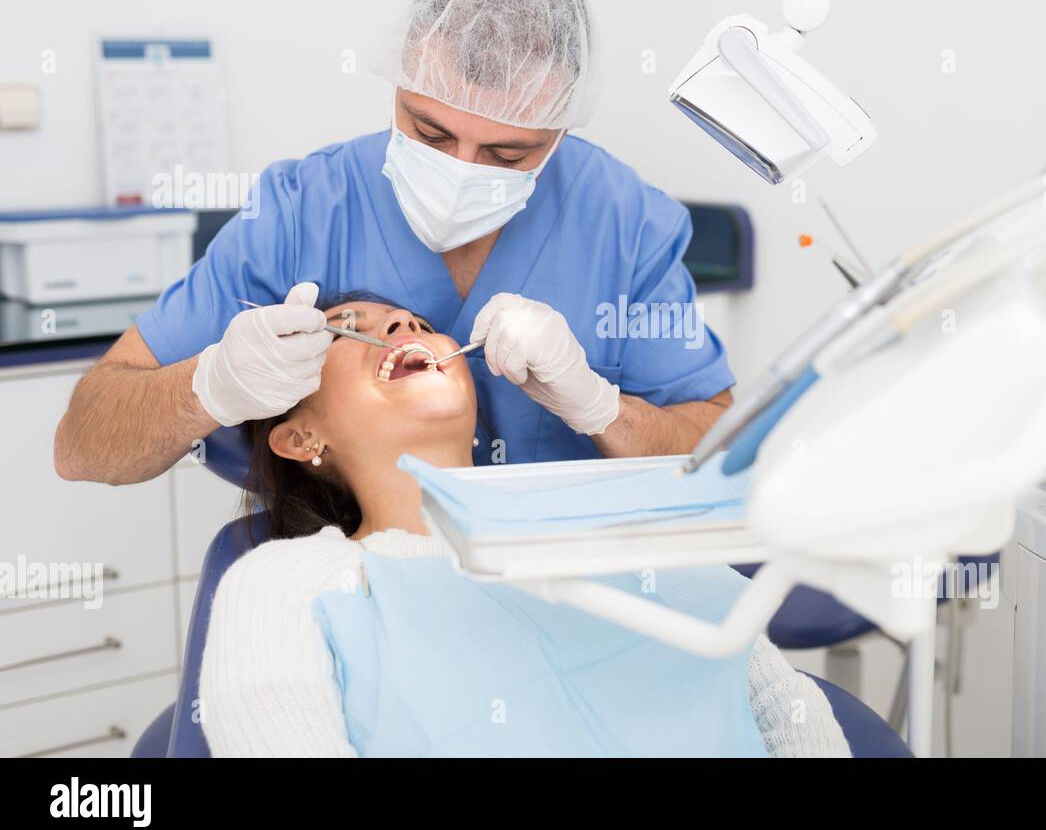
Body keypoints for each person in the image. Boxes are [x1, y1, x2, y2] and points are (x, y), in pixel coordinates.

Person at [54, 0, 733, 485]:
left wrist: (600, 408)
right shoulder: (301, 213)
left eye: (506, 153)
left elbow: (720, 457)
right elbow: (82, 446)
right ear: (401, 77)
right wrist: (210, 388)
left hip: (574, 592)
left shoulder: (624, 222)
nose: (462, 169)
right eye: (431, 134)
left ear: (560, 132)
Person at [198, 295, 849, 757]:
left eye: (419, 322)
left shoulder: (625, 531)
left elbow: (777, 705)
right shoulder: (285, 583)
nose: (401, 323)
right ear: (299, 435)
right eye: (350, 328)